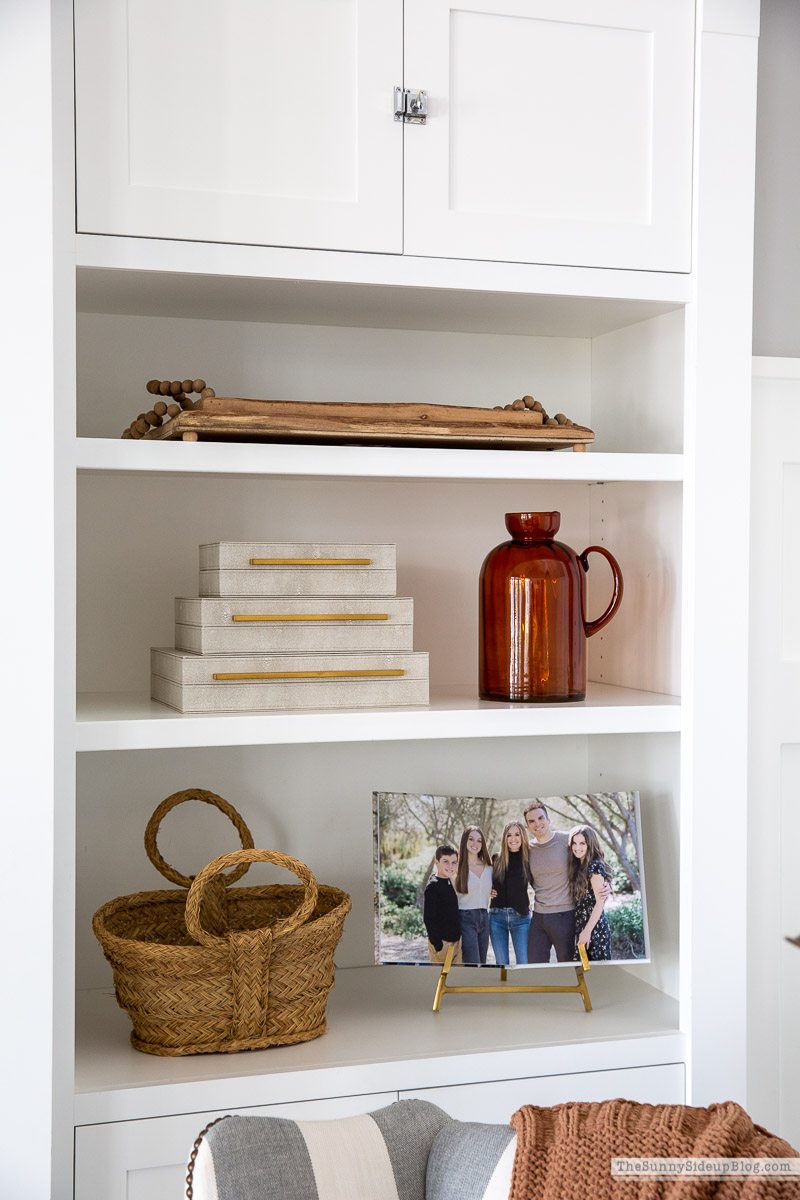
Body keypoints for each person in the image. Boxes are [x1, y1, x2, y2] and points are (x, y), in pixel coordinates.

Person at [524, 801, 610, 964]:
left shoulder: (568, 841)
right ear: (527, 826)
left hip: (566, 916)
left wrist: (606, 884)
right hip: (538, 916)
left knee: (572, 964)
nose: (537, 823)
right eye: (532, 821)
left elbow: (594, 860)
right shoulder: (526, 850)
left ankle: (583, 988)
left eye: (541, 818)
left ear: (549, 820)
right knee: (535, 964)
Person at [489, 821, 534, 966]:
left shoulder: (528, 859)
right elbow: (484, 880)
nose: (513, 839)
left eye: (517, 835)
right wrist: (487, 889)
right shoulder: (496, 859)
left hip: (521, 918)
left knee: (524, 962)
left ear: (523, 837)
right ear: (504, 838)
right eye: (509, 835)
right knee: (501, 964)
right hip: (496, 917)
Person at [568, 824, 612, 961]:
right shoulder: (576, 866)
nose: (577, 847)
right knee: (583, 969)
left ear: (590, 844)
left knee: (595, 972)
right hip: (581, 925)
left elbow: (600, 902)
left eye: (582, 843)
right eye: (574, 843)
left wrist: (587, 932)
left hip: (594, 928)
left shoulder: (594, 866)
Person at [454, 825, 493, 964]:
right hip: (465, 918)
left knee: (482, 962)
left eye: (479, 840)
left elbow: (494, 887)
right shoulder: (456, 867)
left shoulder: (489, 867)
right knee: (472, 963)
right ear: (464, 841)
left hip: (484, 917)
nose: (475, 844)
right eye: (471, 839)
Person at [423, 845, 462, 964]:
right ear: (436, 862)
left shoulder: (451, 882)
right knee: (440, 979)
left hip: (457, 944)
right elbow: (428, 919)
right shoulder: (433, 886)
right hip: (442, 944)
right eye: (446, 862)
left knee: (458, 979)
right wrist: (437, 944)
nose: (450, 866)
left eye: (454, 862)